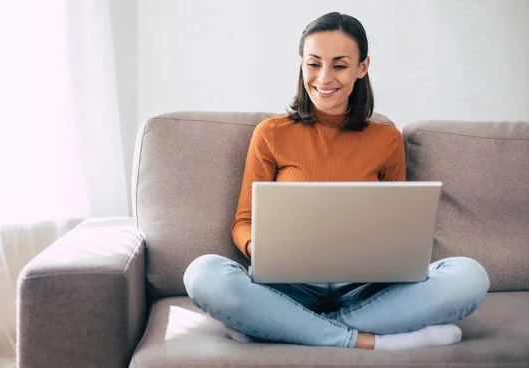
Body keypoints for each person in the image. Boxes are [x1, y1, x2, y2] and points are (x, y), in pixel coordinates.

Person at [183, 12, 490, 350]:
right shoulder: (271, 134)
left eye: (339, 65)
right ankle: (375, 342)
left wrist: (395, 255)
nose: (324, 77)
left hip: (367, 289)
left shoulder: (386, 139)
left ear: (362, 67)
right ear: (301, 64)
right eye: (314, 63)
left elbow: (400, 228)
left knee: (470, 277)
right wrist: (263, 250)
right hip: (287, 286)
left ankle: (276, 326)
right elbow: (243, 222)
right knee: (203, 274)